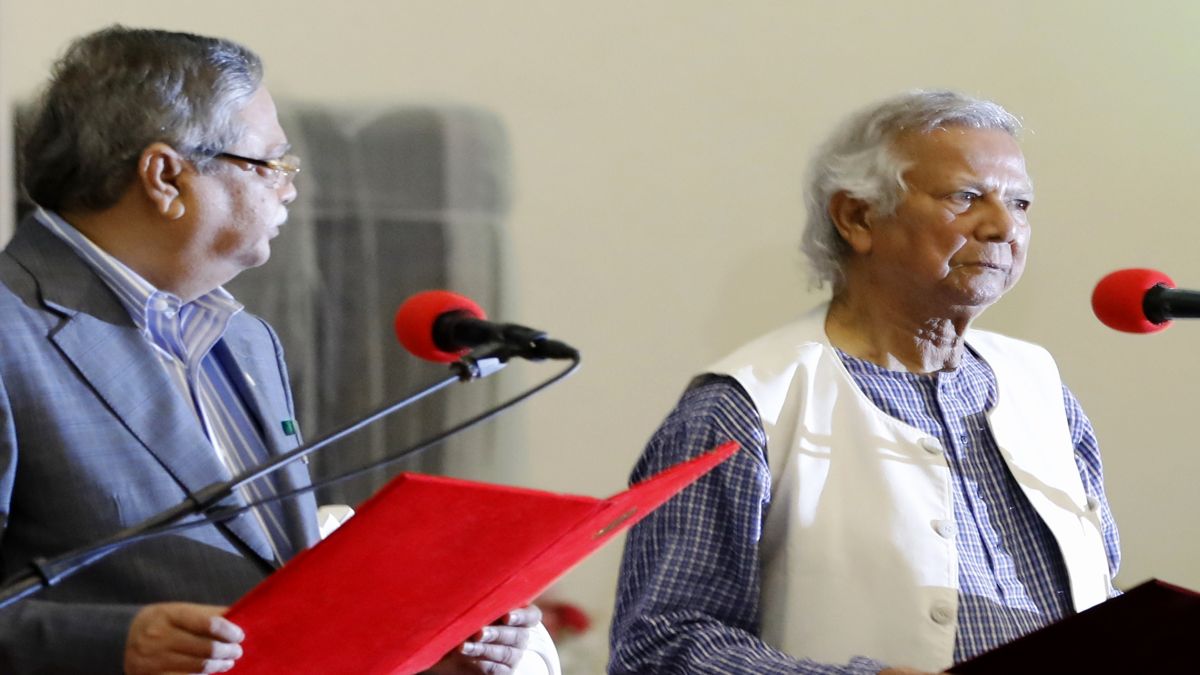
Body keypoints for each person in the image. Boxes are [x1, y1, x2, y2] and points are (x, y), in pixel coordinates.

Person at [0, 26, 555, 675]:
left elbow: (283, 585)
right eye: (269, 163)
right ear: (165, 176)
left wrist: (442, 631)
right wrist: (116, 643)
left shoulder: (245, 339)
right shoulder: (13, 328)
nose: (289, 186)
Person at [609, 90, 1121, 674]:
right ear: (857, 217)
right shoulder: (743, 407)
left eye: (1022, 203)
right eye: (966, 196)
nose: (1005, 225)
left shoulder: (1041, 388)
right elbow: (661, 647)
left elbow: (1095, 590)